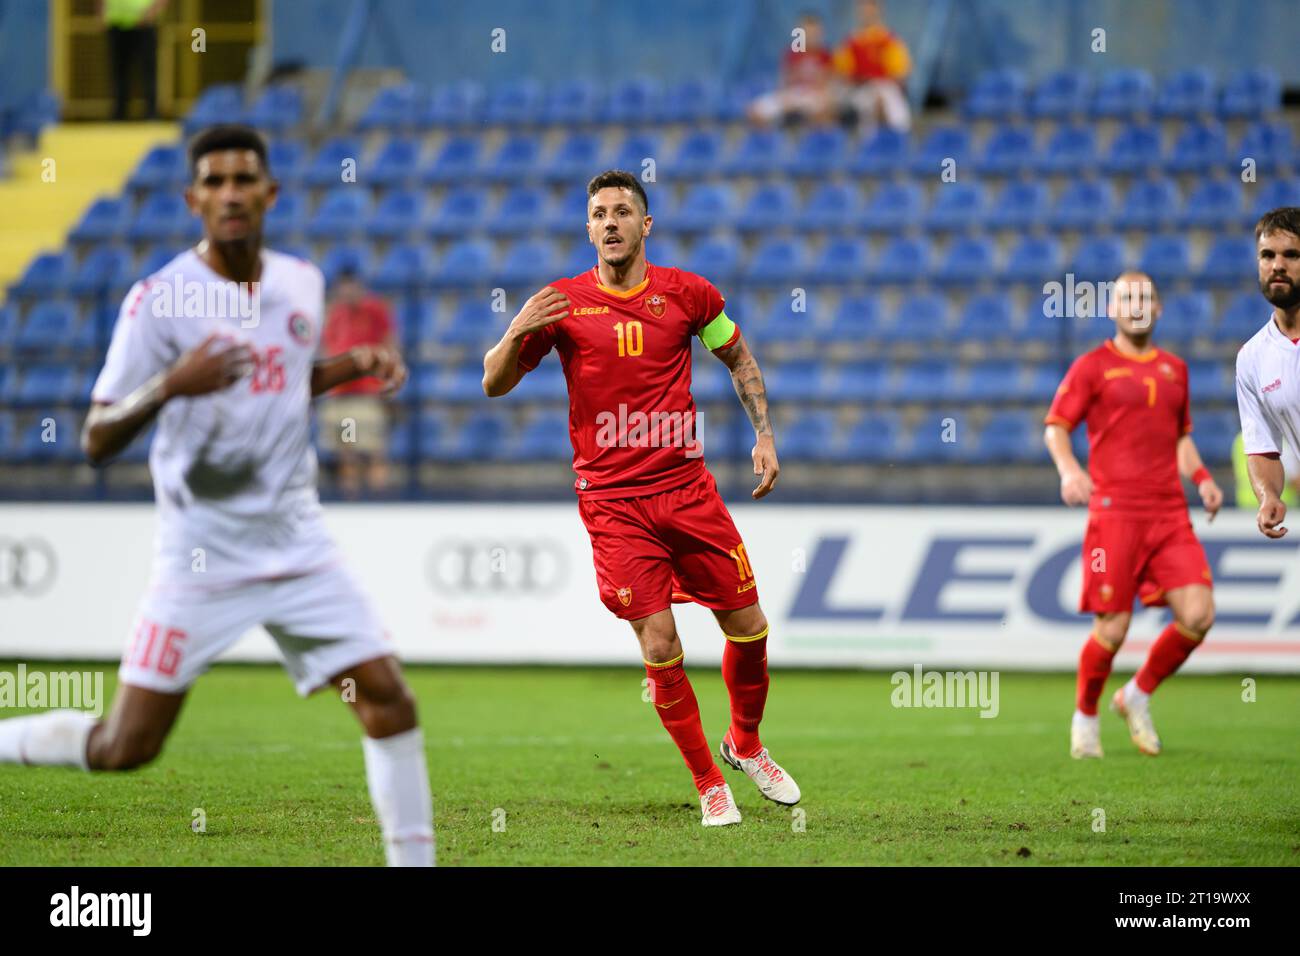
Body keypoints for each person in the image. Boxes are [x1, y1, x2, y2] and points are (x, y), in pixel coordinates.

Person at [0, 125, 432, 867]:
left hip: (297, 544)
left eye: (244, 180)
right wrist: (171, 384)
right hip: (200, 555)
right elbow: (96, 439)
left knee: (389, 701)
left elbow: (285, 375)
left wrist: (350, 363)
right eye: (216, 182)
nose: (231, 194)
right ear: (193, 198)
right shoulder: (158, 301)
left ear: (269, 193)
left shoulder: (301, 281)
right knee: (125, 746)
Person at [481, 170, 798, 827]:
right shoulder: (560, 305)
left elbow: (738, 359)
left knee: (751, 627)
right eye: (599, 213)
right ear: (588, 227)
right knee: (659, 644)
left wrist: (764, 436)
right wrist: (515, 329)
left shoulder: (689, 295)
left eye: (623, 211)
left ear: (645, 225)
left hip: (688, 491)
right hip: (614, 504)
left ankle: (744, 743)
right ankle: (710, 783)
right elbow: (494, 385)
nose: (610, 222)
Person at [1044, 272, 1222, 759]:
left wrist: (1202, 478)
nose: (1136, 305)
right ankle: (1085, 716)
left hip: (1168, 514)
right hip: (1114, 516)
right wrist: (1068, 470)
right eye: (1127, 298)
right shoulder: (1092, 367)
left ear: (1158, 309)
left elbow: (1180, 436)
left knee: (1199, 614)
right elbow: (1057, 427)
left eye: (1145, 297)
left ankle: (1136, 694)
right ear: (1113, 309)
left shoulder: (1175, 370)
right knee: (1113, 629)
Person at [1237, 207, 1300, 543]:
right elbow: (1262, 447)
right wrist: (1269, 495)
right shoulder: (1252, 358)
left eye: (1292, 254)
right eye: (1267, 255)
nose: (1278, 265)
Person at [319, 268, 398, 498]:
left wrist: (386, 377)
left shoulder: (374, 310)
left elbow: (389, 343)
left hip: (366, 392)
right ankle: (350, 499)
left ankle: (378, 499)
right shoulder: (336, 314)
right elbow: (328, 347)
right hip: (341, 393)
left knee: (373, 447)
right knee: (347, 451)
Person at [834, 0, 912, 132]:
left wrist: (883, 86)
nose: (866, 12)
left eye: (870, 8)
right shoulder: (851, 42)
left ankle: (897, 142)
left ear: (879, 10)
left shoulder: (889, 40)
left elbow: (900, 75)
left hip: (885, 87)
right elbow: (842, 75)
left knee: (897, 112)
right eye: (863, 8)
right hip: (858, 90)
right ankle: (868, 144)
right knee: (866, 103)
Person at [748, 11, 836, 126]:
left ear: (820, 33)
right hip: (793, 95)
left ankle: (815, 141)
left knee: (825, 109)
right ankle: (769, 141)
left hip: (815, 96)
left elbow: (828, 85)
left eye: (813, 32)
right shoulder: (792, 54)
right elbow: (784, 83)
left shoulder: (826, 55)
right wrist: (786, 98)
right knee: (755, 110)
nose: (809, 36)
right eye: (806, 32)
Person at [99, 0, 167, 121]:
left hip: (144, 24)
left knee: (148, 70)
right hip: (116, 23)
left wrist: (151, 13)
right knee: (118, 70)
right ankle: (119, 113)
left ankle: (151, 113)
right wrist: (102, 12)